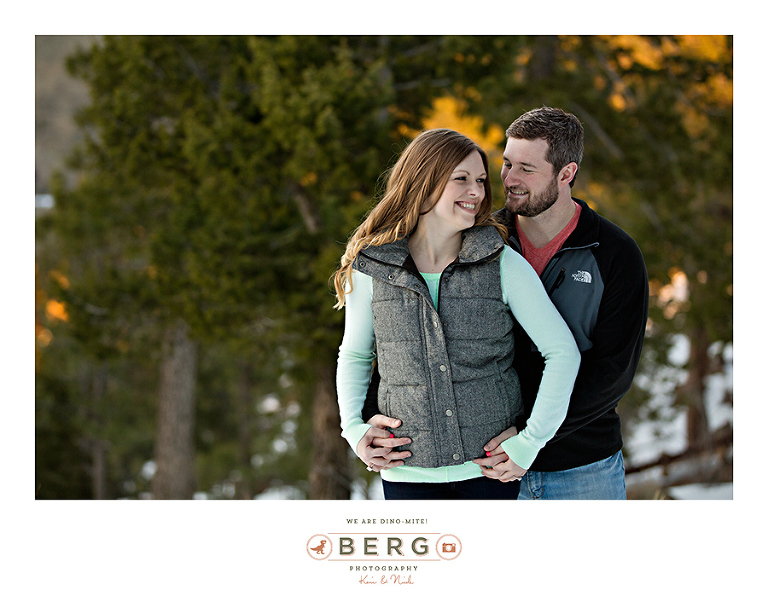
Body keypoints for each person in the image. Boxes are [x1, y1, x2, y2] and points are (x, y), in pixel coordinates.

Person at [362, 108, 649, 500]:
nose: (509, 180)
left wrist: (529, 438)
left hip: (580, 464)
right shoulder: (476, 241)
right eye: (507, 164)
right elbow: (410, 336)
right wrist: (368, 420)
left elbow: (612, 372)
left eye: (527, 169)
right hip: (486, 464)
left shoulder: (614, 253)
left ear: (566, 174)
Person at [333, 128, 580, 500]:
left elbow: (562, 353)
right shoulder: (371, 268)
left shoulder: (502, 263)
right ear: (423, 182)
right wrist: (353, 429)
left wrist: (530, 442)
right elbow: (355, 354)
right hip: (405, 474)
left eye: (480, 180)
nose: (477, 192)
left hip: (486, 474)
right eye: (461, 179)